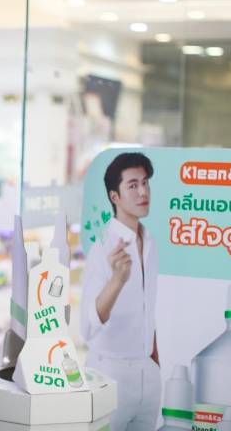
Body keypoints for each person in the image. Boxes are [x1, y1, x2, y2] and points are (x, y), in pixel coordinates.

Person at [80, 152, 160, 431]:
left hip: (147, 373)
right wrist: (117, 280)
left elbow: (147, 308)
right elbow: (88, 325)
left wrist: (155, 362)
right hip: (110, 371)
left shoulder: (149, 241)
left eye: (145, 183)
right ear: (115, 197)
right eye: (133, 185)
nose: (143, 192)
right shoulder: (103, 247)